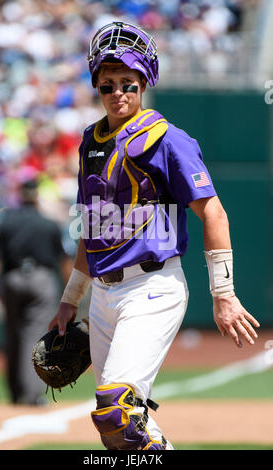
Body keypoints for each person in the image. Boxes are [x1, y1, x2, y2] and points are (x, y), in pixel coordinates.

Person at [48, 22, 260, 450]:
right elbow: (91, 230)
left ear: (144, 83)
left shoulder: (167, 139)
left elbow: (214, 212)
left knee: (116, 409)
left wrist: (224, 293)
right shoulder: (91, 141)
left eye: (128, 83)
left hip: (152, 287)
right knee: (120, 434)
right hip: (104, 298)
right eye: (107, 86)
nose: (118, 92)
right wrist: (70, 301)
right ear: (97, 88)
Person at [0, 179, 71, 406]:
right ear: (36, 197)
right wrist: (70, 293)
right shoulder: (48, 224)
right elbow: (64, 261)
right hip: (41, 280)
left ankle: (14, 392)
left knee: (12, 335)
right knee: (33, 336)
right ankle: (31, 394)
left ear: (20, 195)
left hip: (12, 279)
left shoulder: (7, 222)